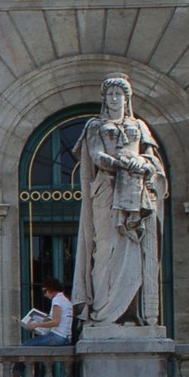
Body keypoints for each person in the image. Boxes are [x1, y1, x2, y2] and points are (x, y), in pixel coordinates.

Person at [71, 73, 167, 327]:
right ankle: (103, 312)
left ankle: (129, 314)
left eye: (119, 94)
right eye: (111, 94)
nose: (114, 99)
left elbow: (151, 158)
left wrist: (143, 164)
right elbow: (96, 156)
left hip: (134, 191)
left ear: (127, 98)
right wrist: (122, 163)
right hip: (106, 191)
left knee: (133, 251)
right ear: (105, 99)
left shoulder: (140, 126)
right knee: (105, 249)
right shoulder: (95, 126)